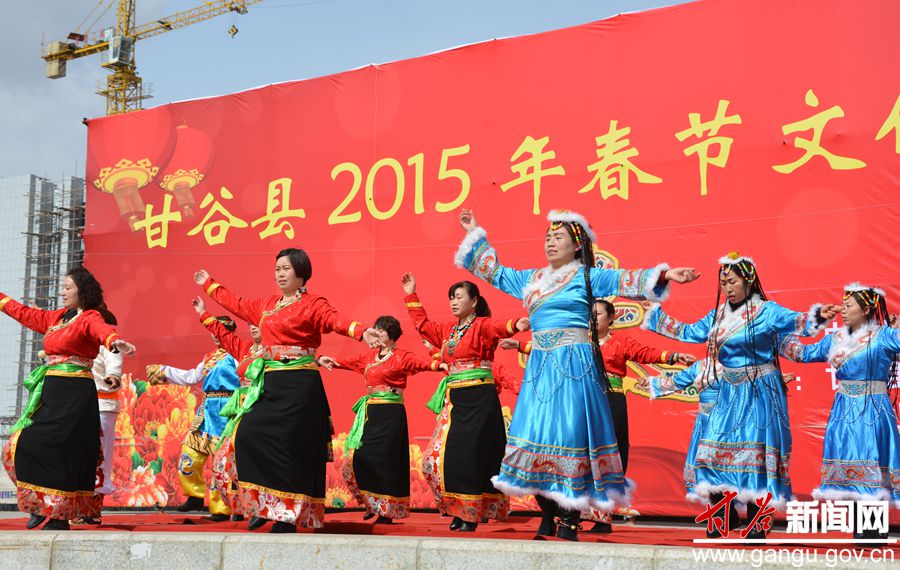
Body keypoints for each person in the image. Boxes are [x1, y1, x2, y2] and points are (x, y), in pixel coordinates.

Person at [454, 208, 699, 541]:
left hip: (575, 368)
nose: (550, 242)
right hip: (541, 370)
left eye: (559, 237)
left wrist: (666, 275)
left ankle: (569, 519)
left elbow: (624, 279)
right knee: (536, 438)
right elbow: (495, 272)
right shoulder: (532, 279)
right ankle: (548, 514)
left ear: (577, 245)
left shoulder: (587, 276)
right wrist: (474, 234)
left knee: (572, 440)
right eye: (548, 237)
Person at [641, 252, 838, 539]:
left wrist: (817, 316)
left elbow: (795, 321)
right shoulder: (718, 315)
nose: (727, 288)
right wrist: (655, 315)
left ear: (749, 281)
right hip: (728, 392)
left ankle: (758, 521)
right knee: (710, 453)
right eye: (723, 283)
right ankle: (724, 514)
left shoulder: (766, 312)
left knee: (755, 456)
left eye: (732, 282)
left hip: (760, 391)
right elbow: (689, 332)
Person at [195, 247, 380, 533]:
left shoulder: (313, 303)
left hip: (299, 384)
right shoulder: (267, 305)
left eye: (286, 269)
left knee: (290, 448)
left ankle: (286, 516)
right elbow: (237, 304)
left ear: (301, 273)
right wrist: (209, 284)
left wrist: (360, 331)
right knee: (247, 435)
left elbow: (334, 320)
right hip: (270, 383)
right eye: (277, 269)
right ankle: (266, 502)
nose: (280, 274)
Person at [501, 297, 696, 533]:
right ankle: (560, 513)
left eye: (598, 314)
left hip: (610, 402)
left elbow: (645, 353)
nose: (592, 319)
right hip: (582, 400)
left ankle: (602, 518)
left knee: (607, 457)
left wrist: (673, 357)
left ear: (611, 318)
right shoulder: (579, 340)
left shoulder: (620, 341)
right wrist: (519, 346)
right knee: (577, 455)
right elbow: (552, 349)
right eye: (589, 314)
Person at [0, 267, 135, 530]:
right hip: (50, 393)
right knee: (22, 443)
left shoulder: (90, 317)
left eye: (67, 288)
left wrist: (114, 342)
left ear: (81, 291)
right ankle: (40, 503)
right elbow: (24, 313)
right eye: (62, 287)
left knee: (65, 452)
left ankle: (59, 516)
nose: (62, 292)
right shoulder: (57, 318)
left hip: (75, 394)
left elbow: (102, 331)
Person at [403, 273, 528, 531]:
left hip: (479, 398)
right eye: (451, 297)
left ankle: (471, 513)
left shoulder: (482, 325)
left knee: (472, 454)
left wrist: (516, 324)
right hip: (455, 399)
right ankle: (458, 509)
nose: (453, 301)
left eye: (459, 297)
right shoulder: (447, 330)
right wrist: (411, 294)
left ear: (474, 301)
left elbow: (498, 327)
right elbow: (423, 326)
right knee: (447, 456)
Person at [779, 283, 900, 540]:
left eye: (849, 306)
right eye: (843, 306)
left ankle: (873, 529)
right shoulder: (835, 338)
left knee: (871, 463)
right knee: (850, 466)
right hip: (844, 410)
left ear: (865, 309)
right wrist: (774, 335)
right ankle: (861, 529)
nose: (843, 310)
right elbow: (803, 354)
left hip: (873, 409)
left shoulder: (884, 335)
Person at [318, 315, 446, 524]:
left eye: (381, 331)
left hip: (391, 414)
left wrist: (438, 366)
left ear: (391, 336)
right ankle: (373, 502)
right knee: (358, 458)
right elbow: (348, 362)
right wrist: (327, 360)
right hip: (371, 414)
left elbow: (419, 363)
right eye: (376, 330)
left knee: (386, 461)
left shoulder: (401, 356)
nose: (377, 334)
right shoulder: (369, 357)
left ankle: (387, 510)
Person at [145, 315, 241, 522]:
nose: (215, 336)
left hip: (228, 410)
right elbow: (192, 377)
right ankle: (195, 496)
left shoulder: (238, 355)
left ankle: (222, 509)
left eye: (220, 331)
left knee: (222, 461)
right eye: (213, 332)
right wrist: (163, 372)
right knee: (189, 454)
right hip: (207, 411)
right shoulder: (209, 357)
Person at [193, 296, 265, 522]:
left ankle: (260, 508)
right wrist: (203, 313)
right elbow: (223, 336)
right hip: (239, 412)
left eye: (258, 323)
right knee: (224, 458)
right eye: (251, 323)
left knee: (256, 459)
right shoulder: (244, 350)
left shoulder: (273, 351)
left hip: (263, 409)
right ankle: (237, 506)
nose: (253, 327)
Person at [82, 309, 124, 525]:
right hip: (82, 405)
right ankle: (78, 506)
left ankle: (91, 510)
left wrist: (113, 375)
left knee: (99, 457)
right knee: (81, 455)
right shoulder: (83, 344)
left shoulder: (109, 342)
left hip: (103, 405)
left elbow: (114, 361)